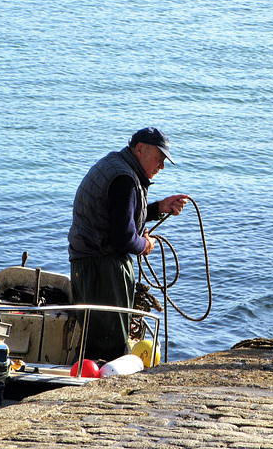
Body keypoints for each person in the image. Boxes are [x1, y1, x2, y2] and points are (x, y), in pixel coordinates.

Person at [68, 127, 188, 361]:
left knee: (93, 340)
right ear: (140, 149)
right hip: (104, 269)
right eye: (160, 158)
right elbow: (123, 238)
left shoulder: (115, 166)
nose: (161, 166)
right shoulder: (125, 180)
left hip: (86, 265)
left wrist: (159, 207)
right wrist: (144, 244)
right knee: (109, 347)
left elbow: (117, 216)